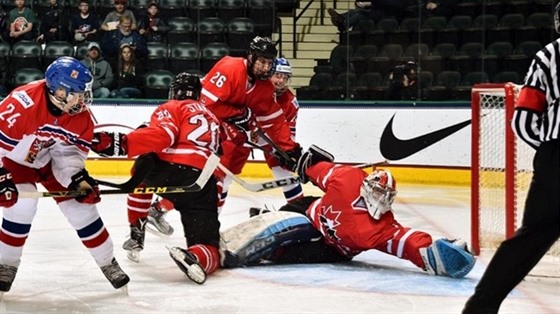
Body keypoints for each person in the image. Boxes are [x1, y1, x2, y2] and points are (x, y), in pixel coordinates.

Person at [221, 146, 476, 281]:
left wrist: (442, 256)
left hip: (331, 249)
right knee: (289, 222)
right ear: (366, 187)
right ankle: (253, 229)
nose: (381, 199)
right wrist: (301, 164)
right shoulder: (348, 178)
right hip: (308, 211)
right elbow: (316, 170)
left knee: (280, 255)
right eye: (377, 193)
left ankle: (260, 228)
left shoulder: (383, 228)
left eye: (385, 196)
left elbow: (411, 245)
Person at [0, 57, 130, 293]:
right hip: (14, 160)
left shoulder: (78, 115)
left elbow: (68, 153)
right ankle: (6, 265)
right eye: (78, 93)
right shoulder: (23, 104)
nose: (83, 99)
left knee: (81, 208)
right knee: (22, 204)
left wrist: (75, 178)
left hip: (49, 160)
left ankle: (107, 261)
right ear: (59, 91)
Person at [462, 3, 560, 313]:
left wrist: (548, 152)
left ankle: (479, 308)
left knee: (529, 240)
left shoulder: (549, 55)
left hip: (556, 157)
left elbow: (523, 121)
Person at [91, 73, 223, 284]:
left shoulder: (172, 107)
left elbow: (163, 136)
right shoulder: (213, 118)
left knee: (145, 164)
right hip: (200, 182)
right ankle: (195, 256)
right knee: (210, 247)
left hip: (166, 171)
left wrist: (122, 143)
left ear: (175, 92)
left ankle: (136, 229)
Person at [199, 36, 302, 211]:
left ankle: (301, 208)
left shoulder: (266, 89)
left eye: (269, 64)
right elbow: (204, 105)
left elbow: (274, 121)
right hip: (206, 123)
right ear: (251, 57)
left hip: (241, 132)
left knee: (282, 165)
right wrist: (239, 113)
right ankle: (163, 207)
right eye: (262, 62)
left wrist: (290, 148)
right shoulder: (229, 67)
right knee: (214, 176)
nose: (265, 68)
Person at [117, 73, 197, 264]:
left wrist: (141, 133)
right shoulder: (207, 113)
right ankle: (204, 242)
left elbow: (158, 135)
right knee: (197, 189)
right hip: (197, 170)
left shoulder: (170, 108)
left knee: (141, 176)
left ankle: (137, 232)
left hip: (171, 167)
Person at [253, 57, 304, 203]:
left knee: (284, 169)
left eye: (285, 77)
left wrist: (288, 151)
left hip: (268, 137)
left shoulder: (290, 102)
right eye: (278, 75)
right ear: (269, 74)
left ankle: (298, 205)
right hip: (242, 131)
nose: (281, 81)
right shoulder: (255, 89)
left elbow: (289, 131)